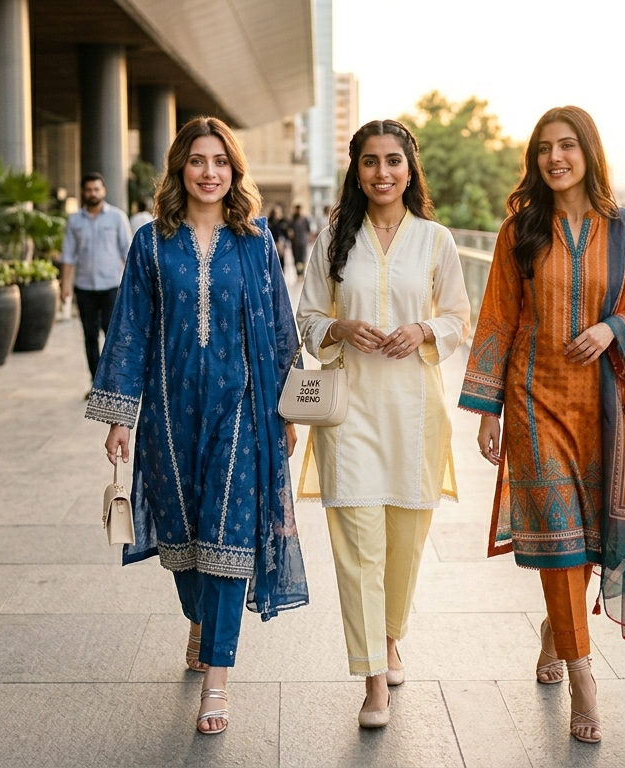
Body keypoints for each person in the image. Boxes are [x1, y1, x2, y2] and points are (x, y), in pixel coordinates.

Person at [460, 106, 625, 744]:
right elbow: (498, 316)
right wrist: (486, 409)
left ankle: (558, 630)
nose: (555, 158)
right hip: (535, 400)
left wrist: (613, 327)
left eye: (566, 146)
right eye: (544, 149)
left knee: (589, 537)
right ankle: (585, 675)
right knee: (559, 532)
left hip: (605, 405)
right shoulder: (519, 231)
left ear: (588, 152)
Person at [88, 117, 307, 736]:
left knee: (229, 539)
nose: (209, 172)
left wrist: (286, 409)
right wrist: (119, 417)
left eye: (220, 162)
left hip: (243, 407)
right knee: (185, 543)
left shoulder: (255, 241)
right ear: (180, 168)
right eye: (197, 160)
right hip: (167, 412)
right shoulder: (151, 244)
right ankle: (200, 620)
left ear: (234, 171)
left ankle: (218, 678)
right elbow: (129, 329)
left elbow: (278, 327)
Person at [295, 120, 471, 728]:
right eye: (370, 162)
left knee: (404, 542)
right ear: (356, 169)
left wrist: (424, 330)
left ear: (409, 168)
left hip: (415, 409)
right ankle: (373, 677)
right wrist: (339, 328)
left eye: (393, 161)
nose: (382, 173)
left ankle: (391, 636)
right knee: (357, 545)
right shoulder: (332, 240)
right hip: (348, 410)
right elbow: (307, 316)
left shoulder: (436, 240)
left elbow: (457, 320)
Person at [60, 173, 132, 385]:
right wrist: (65, 286)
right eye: (89, 189)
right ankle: (96, 383)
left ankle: (113, 382)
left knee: (112, 337)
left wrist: (132, 287)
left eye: (96, 189)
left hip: (112, 287)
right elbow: (68, 255)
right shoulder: (74, 221)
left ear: (104, 191)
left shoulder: (117, 218)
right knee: (90, 336)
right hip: (84, 288)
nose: (93, 193)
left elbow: (128, 254)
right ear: (83, 192)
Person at [289, 203, 313, 276]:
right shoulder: (292, 220)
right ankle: (298, 273)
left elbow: (308, 231)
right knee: (297, 259)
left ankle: (301, 273)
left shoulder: (305, 219)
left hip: (303, 242)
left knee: (302, 259)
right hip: (295, 243)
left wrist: (309, 240)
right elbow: (289, 231)